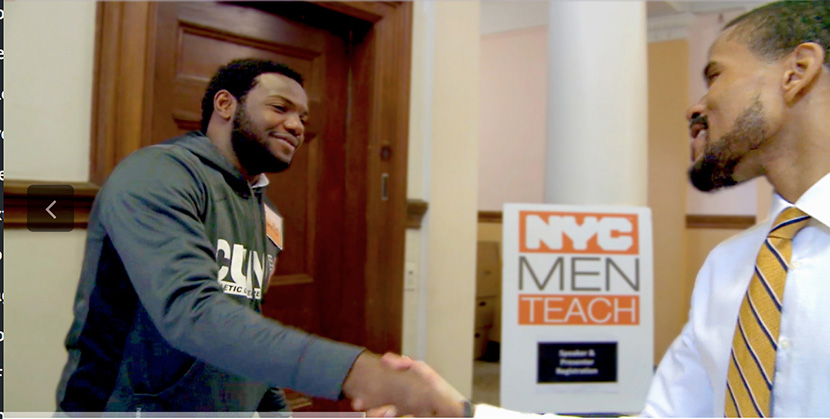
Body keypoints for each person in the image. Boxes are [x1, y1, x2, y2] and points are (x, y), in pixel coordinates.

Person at [360, 1, 830, 417]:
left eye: (715, 75)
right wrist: (463, 413)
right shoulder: (729, 269)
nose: (696, 106)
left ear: (797, 71)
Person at [55, 58, 461, 416]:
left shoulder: (268, 214)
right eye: (280, 108)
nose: (296, 126)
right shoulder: (156, 175)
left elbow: (244, 321)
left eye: (303, 117)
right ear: (225, 104)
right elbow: (192, 312)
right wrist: (359, 372)